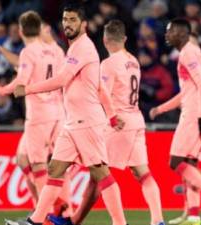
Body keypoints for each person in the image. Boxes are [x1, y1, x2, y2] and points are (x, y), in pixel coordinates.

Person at [11, 4, 128, 225]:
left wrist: (28, 88)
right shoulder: (74, 48)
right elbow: (100, 88)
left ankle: (121, 223)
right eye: (65, 19)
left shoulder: (83, 47)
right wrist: (112, 116)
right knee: (55, 169)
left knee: (100, 173)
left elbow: (62, 79)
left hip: (86, 122)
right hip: (73, 122)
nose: (67, 24)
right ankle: (35, 221)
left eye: (73, 20)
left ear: (83, 24)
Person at [50, 19, 165, 225]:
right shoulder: (133, 60)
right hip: (136, 120)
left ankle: (81, 221)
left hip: (118, 123)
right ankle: (158, 221)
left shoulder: (108, 64)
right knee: (143, 174)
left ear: (104, 40)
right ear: (125, 39)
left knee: (98, 174)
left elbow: (103, 95)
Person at [0, 11, 68, 215]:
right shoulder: (55, 50)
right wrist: (3, 51)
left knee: (38, 164)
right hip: (57, 112)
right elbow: (27, 64)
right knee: (23, 159)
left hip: (38, 115)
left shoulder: (30, 52)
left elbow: (22, 79)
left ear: (21, 30)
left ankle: (47, 213)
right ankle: (51, 207)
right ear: (40, 29)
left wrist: (2, 89)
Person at [149, 18, 201, 225]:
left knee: (175, 162)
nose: (166, 35)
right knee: (189, 164)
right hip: (197, 111)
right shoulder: (191, 53)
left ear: (181, 32)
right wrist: (161, 109)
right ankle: (194, 215)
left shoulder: (188, 53)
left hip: (195, 114)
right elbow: (189, 91)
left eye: (170, 31)